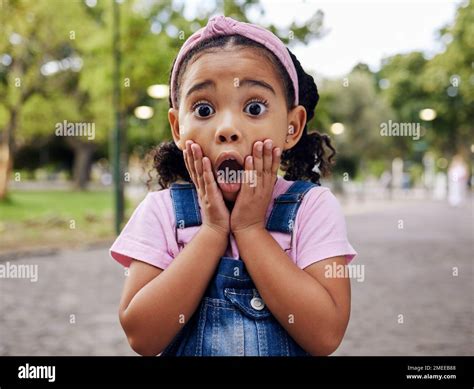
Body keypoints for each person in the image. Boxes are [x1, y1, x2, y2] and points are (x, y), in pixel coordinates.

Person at [109, 15, 357, 356]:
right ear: (177, 128)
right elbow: (142, 337)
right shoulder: (162, 212)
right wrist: (212, 232)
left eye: (254, 107)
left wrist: (250, 229)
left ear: (292, 126)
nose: (227, 128)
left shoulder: (311, 209)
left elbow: (325, 335)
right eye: (204, 108)